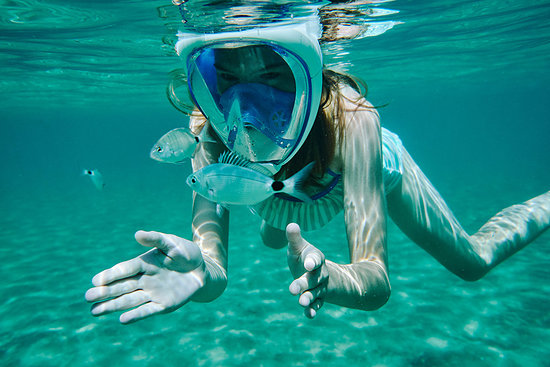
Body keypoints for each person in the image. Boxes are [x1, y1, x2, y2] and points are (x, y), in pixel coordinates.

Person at [85, 16, 550, 324]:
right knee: (274, 229)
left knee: (471, 263)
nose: (245, 113)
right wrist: (201, 276)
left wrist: (338, 279)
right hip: (269, 198)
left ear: (308, 74)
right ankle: (276, 226)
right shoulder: (206, 132)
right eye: (227, 81)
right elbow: (213, 269)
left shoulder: (355, 120)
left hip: (357, 171)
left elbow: (376, 278)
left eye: (271, 78)